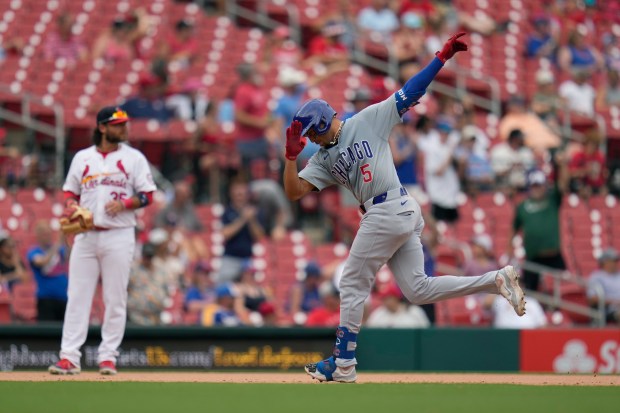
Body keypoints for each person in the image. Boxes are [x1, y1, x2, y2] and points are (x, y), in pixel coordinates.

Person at [282, 33, 526, 383]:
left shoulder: (366, 120)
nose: (311, 141)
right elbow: (295, 191)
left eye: (311, 134)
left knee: (351, 281)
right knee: (417, 289)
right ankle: (495, 280)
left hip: (390, 207)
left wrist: (441, 57)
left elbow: (410, 93)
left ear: (321, 124)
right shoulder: (321, 159)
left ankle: (344, 363)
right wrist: (290, 158)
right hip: (393, 211)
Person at [48, 106, 157, 376]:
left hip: (119, 235)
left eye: (125, 124)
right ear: (102, 127)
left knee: (115, 298)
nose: (124, 128)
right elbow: (69, 192)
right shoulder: (83, 158)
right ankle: (70, 358)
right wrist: (72, 207)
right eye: (117, 124)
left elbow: (147, 195)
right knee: (77, 297)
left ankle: (108, 357)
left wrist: (125, 204)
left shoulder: (134, 158)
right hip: (86, 234)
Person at [508, 164, 569, 292]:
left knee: (562, 288)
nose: (537, 189)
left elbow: (563, 185)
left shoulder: (552, 200)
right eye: (534, 185)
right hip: (533, 257)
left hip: (553, 255)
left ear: (544, 186)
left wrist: (562, 165)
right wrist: (509, 250)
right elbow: (514, 228)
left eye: (539, 185)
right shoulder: (522, 206)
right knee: (530, 292)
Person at [216, 179, 266, 284]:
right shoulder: (227, 211)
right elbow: (225, 234)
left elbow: (259, 236)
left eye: (242, 193)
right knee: (223, 286)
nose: (239, 196)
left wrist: (251, 220)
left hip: (247, 258)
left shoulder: (255, 212)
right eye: (237, 193)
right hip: (230, 258)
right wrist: (243, 219)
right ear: (232, 195)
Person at [27, 221, 69, 322]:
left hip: (63, 298)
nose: (47, 236)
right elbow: (42, 261)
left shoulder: (60, 249)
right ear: (38, 235)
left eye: (48, 232)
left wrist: (66, 239)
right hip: (46, 299)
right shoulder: (34, 251)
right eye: (44, 233)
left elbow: (70, 256)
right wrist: (58, 243)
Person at [126, 242, 170, 326]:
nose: (148, 259)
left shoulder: (160, 271)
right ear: (142, 255)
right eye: (146, 256)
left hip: (155, 319)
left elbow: (166, 291)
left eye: (150, 257)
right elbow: (125, 290)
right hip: (135, 318)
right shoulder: (133, 270)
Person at [587, 248, 620, 325]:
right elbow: (592, 299)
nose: (615, 263)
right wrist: (616, 302)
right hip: (609, 309)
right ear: (604, 262)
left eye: (616, 261)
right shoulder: (597, 277)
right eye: (612, 261)